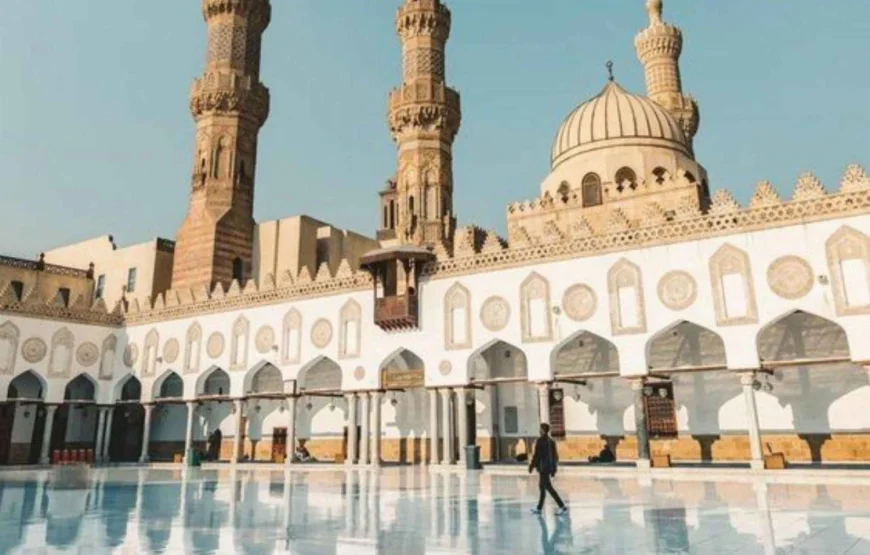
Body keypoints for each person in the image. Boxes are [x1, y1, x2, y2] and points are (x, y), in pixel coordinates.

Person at [529, 423, 568, 516]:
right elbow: (555, 457)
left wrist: (531, 466)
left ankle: (562, 506)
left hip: (543, 468)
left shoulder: (540, 441)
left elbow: (537, 455)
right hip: (548, 467)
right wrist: (554, 468)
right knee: (542, 488)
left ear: (542, 430)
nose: (539, 430)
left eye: (540, 429)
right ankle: (539, 508)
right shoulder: (551, 441)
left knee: (549, 488)